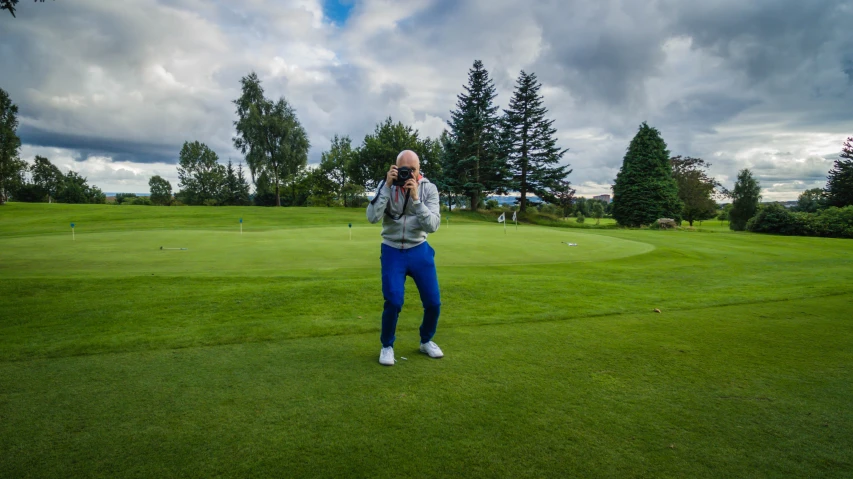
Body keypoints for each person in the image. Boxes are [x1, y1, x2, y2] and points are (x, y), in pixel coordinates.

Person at [367, 150, 443, 366]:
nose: (407, 174)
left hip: (419, 248)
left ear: (419, 170)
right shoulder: (386, 186)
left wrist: (417, 199)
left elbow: (433, 225)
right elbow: (372, 217)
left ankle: (426, 340)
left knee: (433, 302)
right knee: (393, 300)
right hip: (392, 249)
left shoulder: (429, 188)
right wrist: (387, 187)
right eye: (404, 169)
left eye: (412, 170)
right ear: (395, 168)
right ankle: (387, 345)